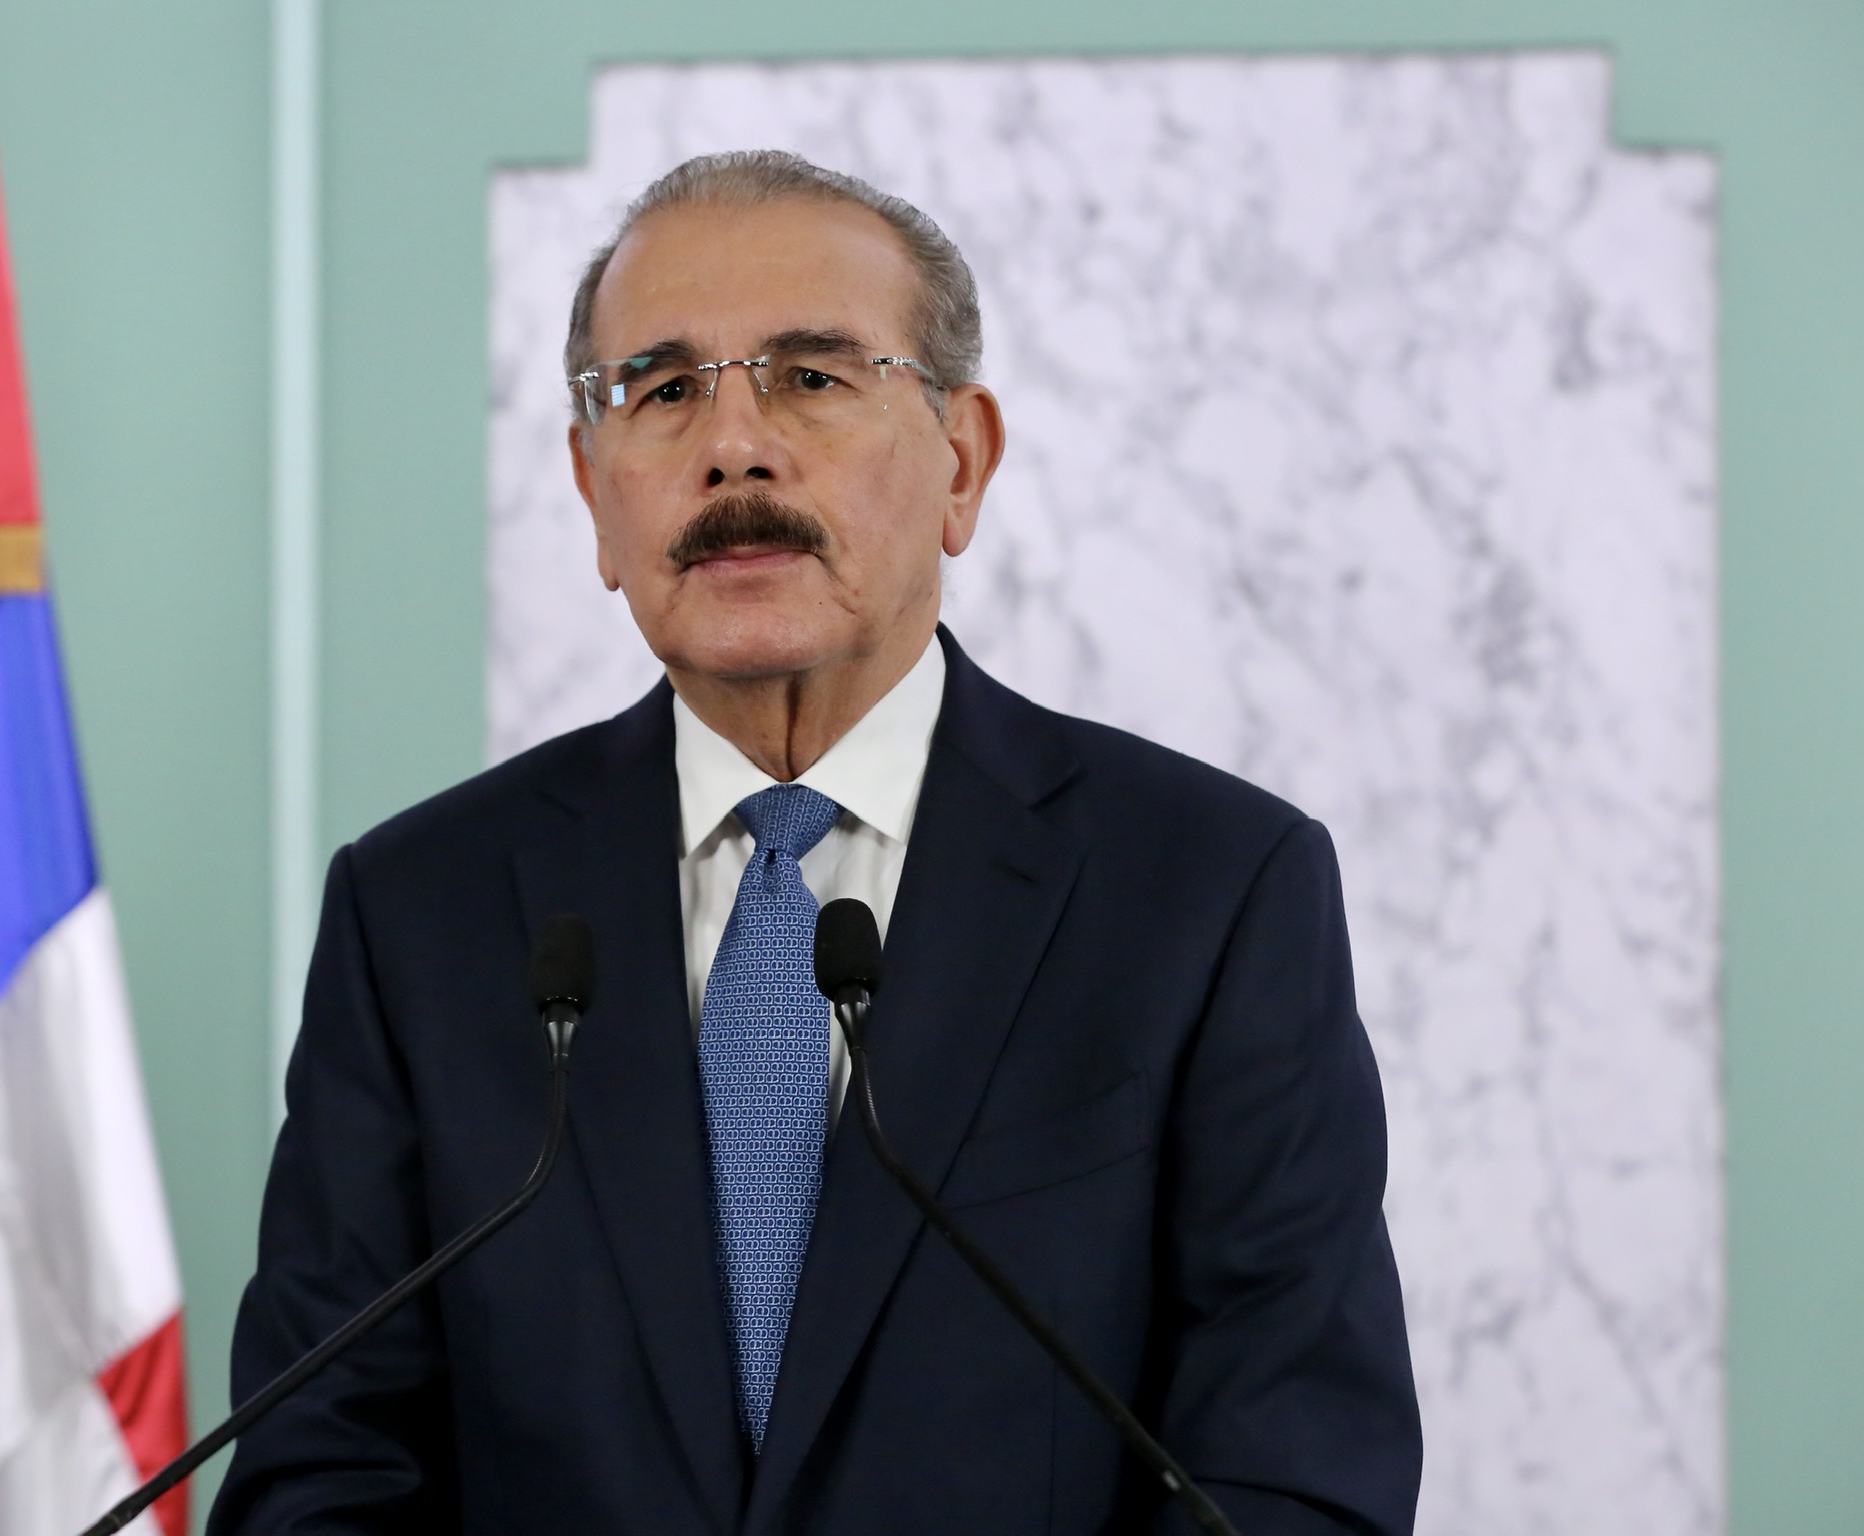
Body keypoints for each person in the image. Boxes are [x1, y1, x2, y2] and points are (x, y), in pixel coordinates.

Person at [211, 151, 1421, 1535]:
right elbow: (321, 1472)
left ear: (962, 461)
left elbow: (1290, 1475)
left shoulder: (1206, 892)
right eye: (664, 391)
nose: (734, 447)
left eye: (811, 377)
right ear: (595, 490)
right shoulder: (421, 914)